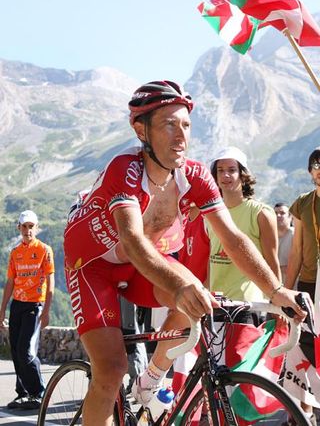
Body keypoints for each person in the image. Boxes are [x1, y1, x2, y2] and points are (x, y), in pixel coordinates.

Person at [63, 80, 307, 426]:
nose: (181, 136)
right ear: (141, 129)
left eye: (186, 125)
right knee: (112, 369)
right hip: (94, 265)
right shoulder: (125, 170)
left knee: (197, 294)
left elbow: (234, 240)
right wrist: (178, 288)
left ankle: (150, 381)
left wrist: (276, 290)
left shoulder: (194, 176)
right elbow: (132, 241)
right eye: (169, 124)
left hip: (143, 262)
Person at [208, 146, 280, 324]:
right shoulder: (208, 214)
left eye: (232, 170)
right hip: (214, 303)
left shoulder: (261, 213)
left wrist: (278, 303)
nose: (226, 175)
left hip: (248, 304)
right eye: (220, 171)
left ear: (243, 175)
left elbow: (272, 261)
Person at [0, 210, 55, 410]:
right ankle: (23, 394)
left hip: (35, 305)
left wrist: (47, 311)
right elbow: (9, 282)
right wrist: (2, 310)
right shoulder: (15, 253)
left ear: (36, 228)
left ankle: (38, 393)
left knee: (26, 352)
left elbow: (51, 283)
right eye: (24, 226)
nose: (27, 230)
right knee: (15, 351)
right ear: (19, 228)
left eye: (31, 226)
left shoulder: (44, 250)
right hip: (17, 305)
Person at [282, 148, 320, 426]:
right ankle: (303, 413)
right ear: (309, 172)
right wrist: (283, 292)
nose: (319, 168)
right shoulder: (303, 204)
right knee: (304, 347)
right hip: (308, 285)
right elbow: (295, 251)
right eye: (315, 164)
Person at [274, 202, 294, 284]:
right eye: (275, 213)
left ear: (290, 217)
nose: (278, 216)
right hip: (273, 287)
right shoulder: (268, 236)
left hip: (294, 285)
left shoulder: (296, 235)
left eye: (282, 213)